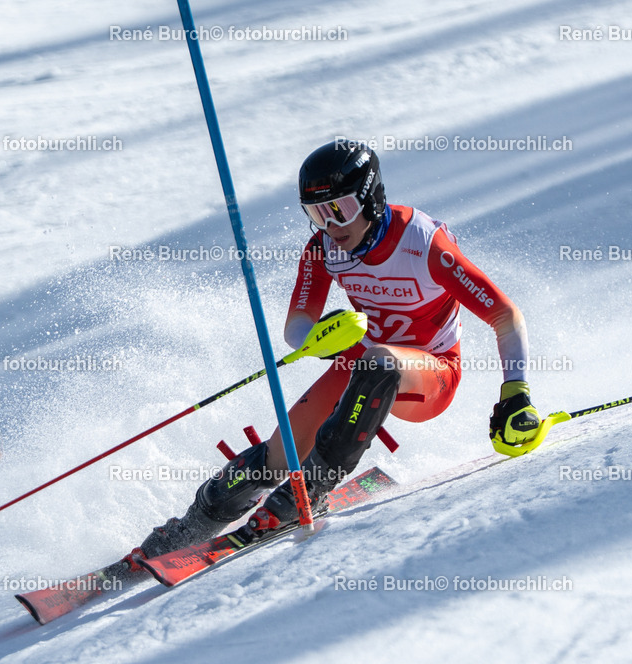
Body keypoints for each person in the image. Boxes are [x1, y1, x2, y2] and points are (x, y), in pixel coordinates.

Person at [138, 140, 541, 559]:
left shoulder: (424, 244)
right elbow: (297, 328)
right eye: (316, 214)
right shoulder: (324, 249)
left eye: (340, 210)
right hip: (362, 359)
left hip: (431, 373)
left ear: (370, 198)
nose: (331, 225)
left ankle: (312, 488)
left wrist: (516, 392)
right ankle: (195, 522)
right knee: (281, 453)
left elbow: (504, 314)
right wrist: (324, 337)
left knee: (378, 361)